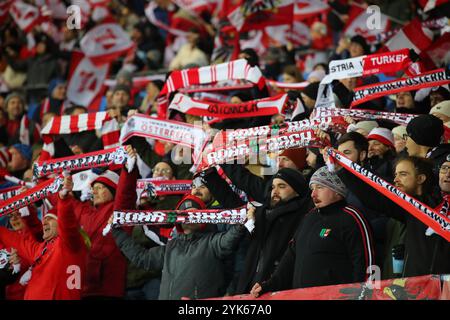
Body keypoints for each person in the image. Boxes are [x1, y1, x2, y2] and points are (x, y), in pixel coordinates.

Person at [250, 166, 374, 297]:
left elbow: (366, 264)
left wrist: (362, 295)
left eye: (320, 187)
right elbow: (290, 257)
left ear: (337, 190)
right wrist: (269, 285)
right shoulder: (309, 217)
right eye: (312, 188)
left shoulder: (352, 218)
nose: (313, 194)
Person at [111, 194, 246, 300]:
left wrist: (242, 223)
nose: (190, 216)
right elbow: (143, 258)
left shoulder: (212, 241)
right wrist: (117, 232)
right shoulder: (171, 247)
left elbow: (230, 239)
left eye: (195, 213)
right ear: (178, 220)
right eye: (185, 213)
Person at [337, 155, 450, 277]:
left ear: (420, 178)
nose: (447, 174)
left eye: (403, 174)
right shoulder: (418, 205)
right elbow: (375, 197)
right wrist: (341, 169)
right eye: (444, 168)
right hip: (416, 290)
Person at [0, 185, 88, 299]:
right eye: (44, 219)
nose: (44, 222)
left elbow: (68, 222)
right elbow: (17, 240)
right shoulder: (40, 249)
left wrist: (63, 200)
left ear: (60, 224)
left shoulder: (69, 244)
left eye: (50, 219)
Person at [234, 168, 313, 294]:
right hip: (249, 287)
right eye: (273, 187)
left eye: (282, 186)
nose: (274, 191)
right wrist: (250, 224)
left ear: (297, 191)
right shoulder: (262, 213)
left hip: (277, 288)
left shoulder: (304, 214)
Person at [61, 170, 128, 299]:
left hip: (109, 288)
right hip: (86, 287)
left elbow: (126, 191)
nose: (94, 192)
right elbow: (65, 201)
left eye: (100, 188)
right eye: (93, 188)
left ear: (114, 190)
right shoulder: (87, 212)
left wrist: (128, 169)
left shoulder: (119, 209)